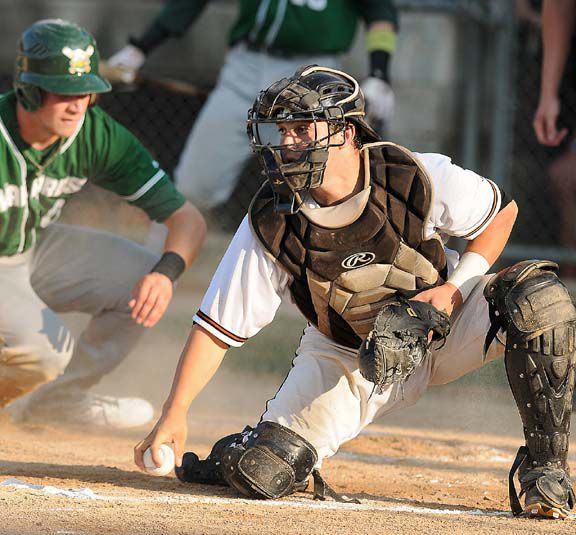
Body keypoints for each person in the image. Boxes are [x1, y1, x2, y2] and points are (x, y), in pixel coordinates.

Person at [135, 66, 576, 519]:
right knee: (262, 471)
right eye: (280, 130)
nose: (286, 144)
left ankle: (545, 474)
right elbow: (216, 327)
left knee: (540, 300)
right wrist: (175, 411)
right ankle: (250, 447)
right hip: (349, 353)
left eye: (302, 129)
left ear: (345, 132)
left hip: (444, 326)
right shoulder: (271, 218)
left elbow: (501, 213)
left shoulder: (409, 173)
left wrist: (454, 291)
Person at [0, 19, 207, 430]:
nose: (78, 104)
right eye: (64, 92)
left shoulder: (94, 134)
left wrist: (165, 275)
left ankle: (57, 402)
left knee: (142, 278)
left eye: (86, 91)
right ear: (28, 90)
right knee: (43, 354)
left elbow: (188, 221)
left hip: (32, 251)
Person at [107, 0, 398, 213]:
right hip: (245, 67)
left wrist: (379, 73)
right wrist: (141, 47)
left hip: (310, 76)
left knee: (307, 187)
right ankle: (159, 270)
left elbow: (380, 10)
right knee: (193, 187)